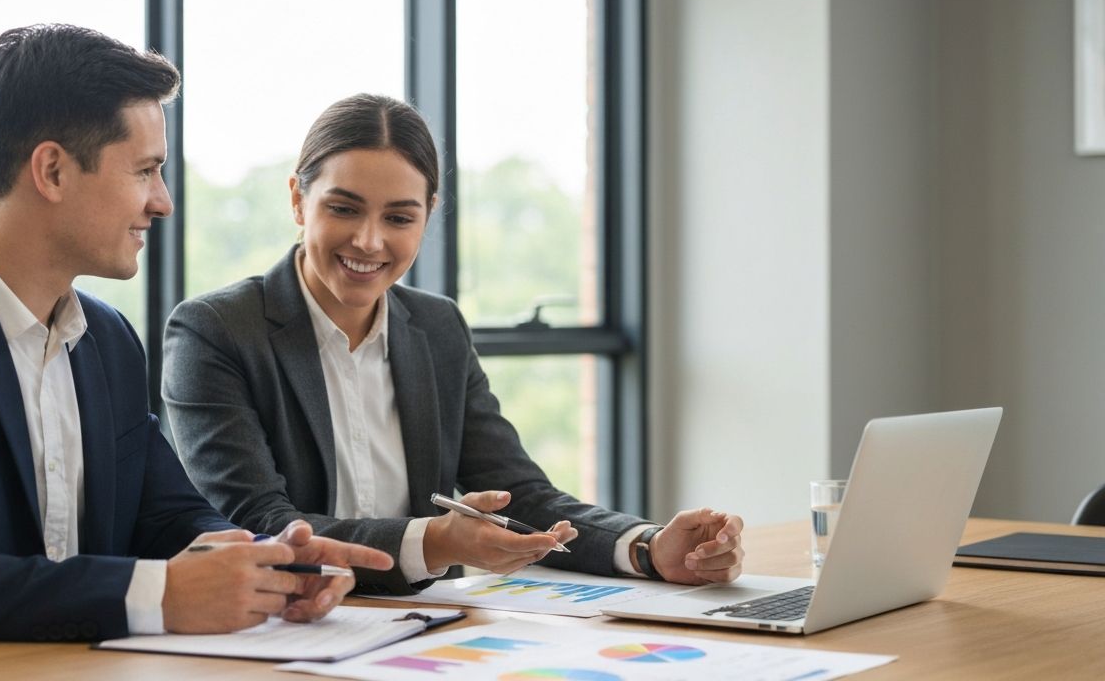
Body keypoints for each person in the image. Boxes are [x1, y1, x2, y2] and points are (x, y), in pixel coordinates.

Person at [0, 25, 391, 652]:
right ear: (51, 170)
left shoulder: (105, 338)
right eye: (146, 171)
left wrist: (271, 562)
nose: (163, 202)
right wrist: (159, 595)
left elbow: (165, 518)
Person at [163, 93, 743, 596]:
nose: (369, 240)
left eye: (399, 217)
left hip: (425, 630)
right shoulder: (215, 331)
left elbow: (521, 496)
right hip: (272, 633)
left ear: (428, 217)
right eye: (343, 208)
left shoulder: (436, 327)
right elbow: (261, 521)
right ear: (297, 199)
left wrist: (646, 548)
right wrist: (433, 542)